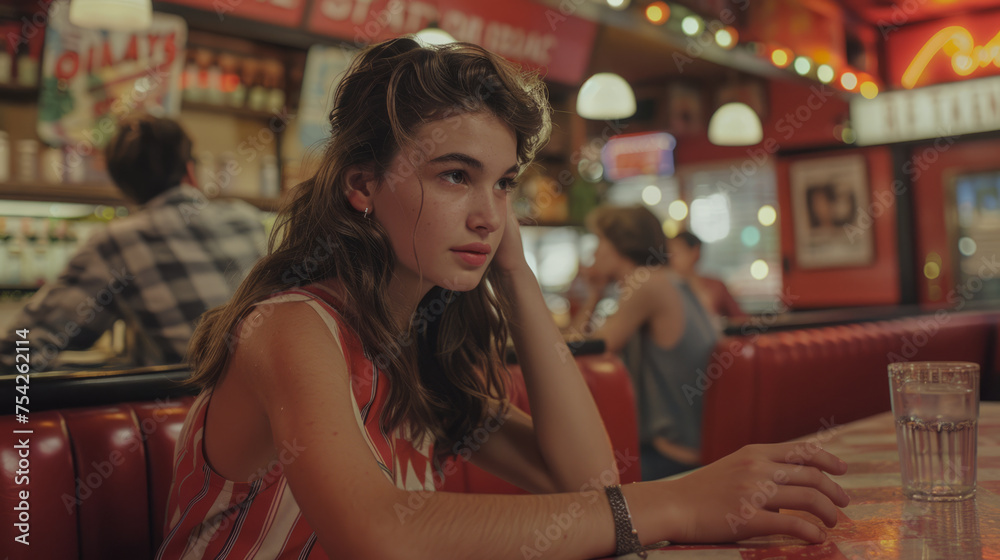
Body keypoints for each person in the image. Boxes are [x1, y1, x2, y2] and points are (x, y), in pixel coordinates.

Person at [156, 38, 850, 560]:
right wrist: (676, 504)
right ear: (362, 187)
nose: (489, 213)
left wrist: (514, 274)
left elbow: (586, 479)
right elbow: (376, 533)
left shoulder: (417, 357)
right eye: (457, 175)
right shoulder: (292, 328)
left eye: (504, 183)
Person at [0, 115, 266, 373]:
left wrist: (106, 376)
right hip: (270, 404)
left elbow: (16, 350)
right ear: (189, 170)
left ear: (123, 187)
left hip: (186, 411)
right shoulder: (247, 219)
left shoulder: (118, 241)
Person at [567, 206, 719, 479]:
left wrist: (592, 295)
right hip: (700, 449)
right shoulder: (675, 281)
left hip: (672, 457)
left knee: (572, 483)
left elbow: (576, 354)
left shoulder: (647, 284)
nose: (593, 253)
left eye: (598, 241)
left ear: (620, 245)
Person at [669, 230, 746, 321]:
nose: (670, 259)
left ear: (695, 253)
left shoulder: (715, 286)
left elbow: (740, 320)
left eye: (675, 254)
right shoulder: (667, 288)